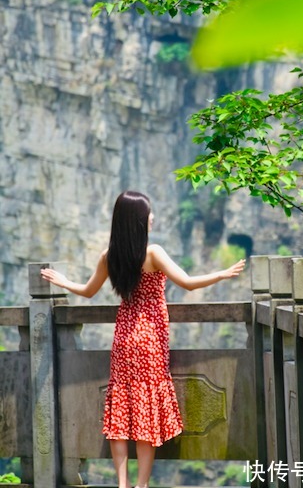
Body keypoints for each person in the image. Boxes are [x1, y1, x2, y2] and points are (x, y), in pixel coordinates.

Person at [41, 190, 245, 488]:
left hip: (124, 336)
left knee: (121, 410)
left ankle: (122, 484)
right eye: (149, 214)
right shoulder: (153, 253)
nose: (153, 218)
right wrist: (221, 274)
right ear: (138, 220)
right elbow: (187, 283)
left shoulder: (110, 256)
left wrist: (63, 282)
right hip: (149, 337)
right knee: (146, 410)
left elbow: (87, 291)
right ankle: (141, 485)